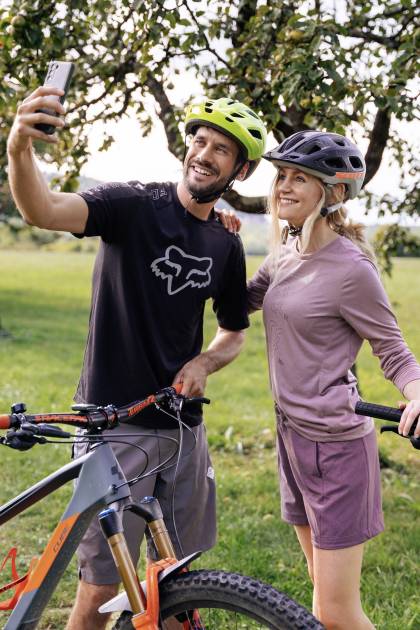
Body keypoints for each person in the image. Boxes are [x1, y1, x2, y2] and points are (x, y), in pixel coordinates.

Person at [7, 89, 267, 629]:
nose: (205, 154)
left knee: (179, 581)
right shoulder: (132, 205)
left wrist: (203, 364)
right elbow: (43, 210)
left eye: (222, 149)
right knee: (102, 588)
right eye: (200, 141)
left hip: (184, 431)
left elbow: (233, 333)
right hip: (114, 425)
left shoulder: (226, 244)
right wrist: (18, 150)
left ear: (239, 171)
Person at [247, 130, 420, 630]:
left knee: (338, 612)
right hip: (292, 437)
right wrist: (208, 241)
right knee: (320, 597)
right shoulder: (285, 251)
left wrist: (417, 396)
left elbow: (393, 350)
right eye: (281, 175)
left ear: (334, 192)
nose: (283, 186)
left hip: (337, 449)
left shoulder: (351, 269)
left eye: (299, 178)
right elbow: (241, 300)